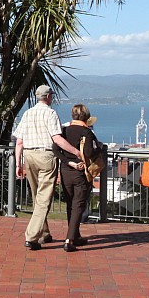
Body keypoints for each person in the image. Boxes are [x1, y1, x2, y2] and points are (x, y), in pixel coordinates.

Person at [14, 85, 83, 251]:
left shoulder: (28, 113)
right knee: (43, 199)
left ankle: (44, 234)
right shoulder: (50, 113)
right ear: (47, 97)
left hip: (29, 156)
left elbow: (19, 142)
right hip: (45, 156)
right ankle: (31, 236)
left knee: (38, 196)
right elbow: (57, 139)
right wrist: (76, 152)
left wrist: (18, 163)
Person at [53, 104, 95, 252]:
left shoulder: (63, 131)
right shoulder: (87, 132)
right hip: (80, 172)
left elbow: (56, 149)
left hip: (65, 170)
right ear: (86, 116)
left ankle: (75, 235)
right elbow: (89, 152)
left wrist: (68, 162)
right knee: (78, 205)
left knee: (71, 204)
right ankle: (69, 240)